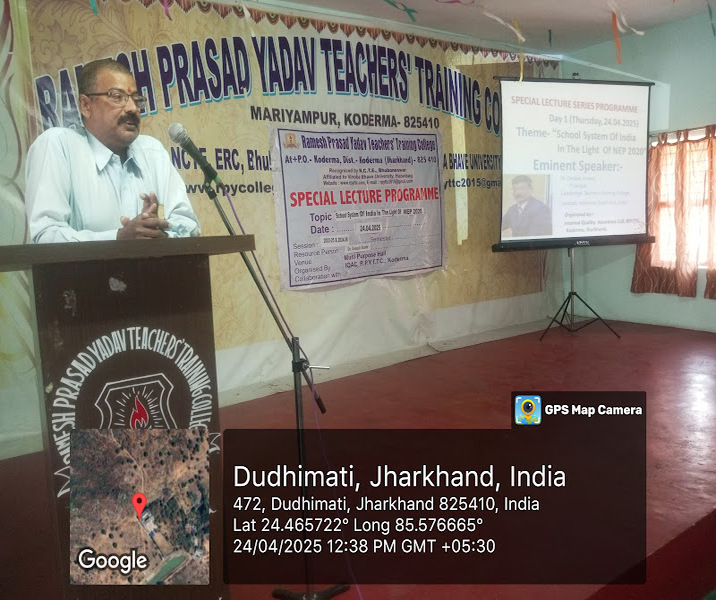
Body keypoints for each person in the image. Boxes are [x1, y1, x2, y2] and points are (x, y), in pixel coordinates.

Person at [25, 58, 200, 242]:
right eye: (117, 97)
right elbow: (47, 235)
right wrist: (118, 239)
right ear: (86, 105)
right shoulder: (58, 146)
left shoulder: (152, 151)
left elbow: (188, 223)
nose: (132, 108)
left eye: (136, 100)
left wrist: (159, 234)